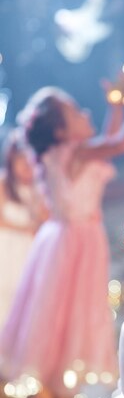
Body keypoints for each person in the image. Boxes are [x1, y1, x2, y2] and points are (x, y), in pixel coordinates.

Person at [0, 83, 124, 398]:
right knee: (63, 313)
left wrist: (115, 107)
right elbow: (122, 143)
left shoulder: (68, 153)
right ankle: (51, 397)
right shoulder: (73, 152)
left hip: (69, 240)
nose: (85, 113)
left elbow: (108, 143)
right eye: (75, 112)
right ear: (61, 130)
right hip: (72, 243)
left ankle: (57, 393)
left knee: (62, 313)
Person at [0, 130, 47, 328]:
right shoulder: (3, 183)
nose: (27, 169)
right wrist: (27, 227)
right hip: (8, 246)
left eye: (30, 164)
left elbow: (44, 217)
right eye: (22, 163)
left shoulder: (38, 186)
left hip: (31, 247)